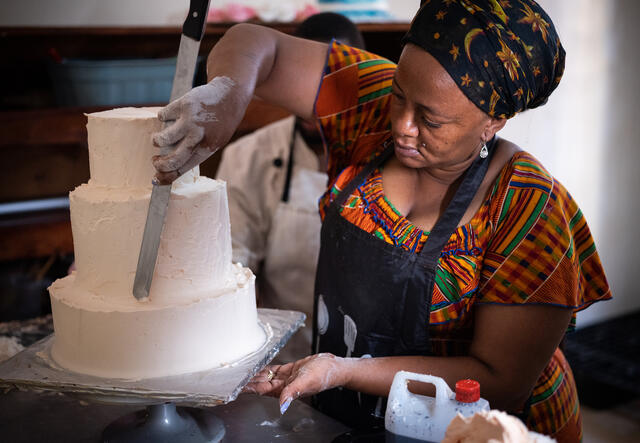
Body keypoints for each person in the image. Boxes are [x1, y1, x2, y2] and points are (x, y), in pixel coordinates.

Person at [150, 1, 611, 441]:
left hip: (476, 430)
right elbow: (256, 45)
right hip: (348, 410)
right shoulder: (369, 104)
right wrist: (230, 95)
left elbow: (500, 380)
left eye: (430, 120)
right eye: (399, 97)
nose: (402, 126)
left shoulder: (530, 209)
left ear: (493, 121)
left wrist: (344, 370)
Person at [215, 13, 365, 362]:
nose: (318, 99)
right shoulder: (249, 156)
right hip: (279, 358)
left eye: (334, 85)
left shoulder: (391, 157)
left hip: (364, 365)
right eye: (309, 83)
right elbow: (231, 269)